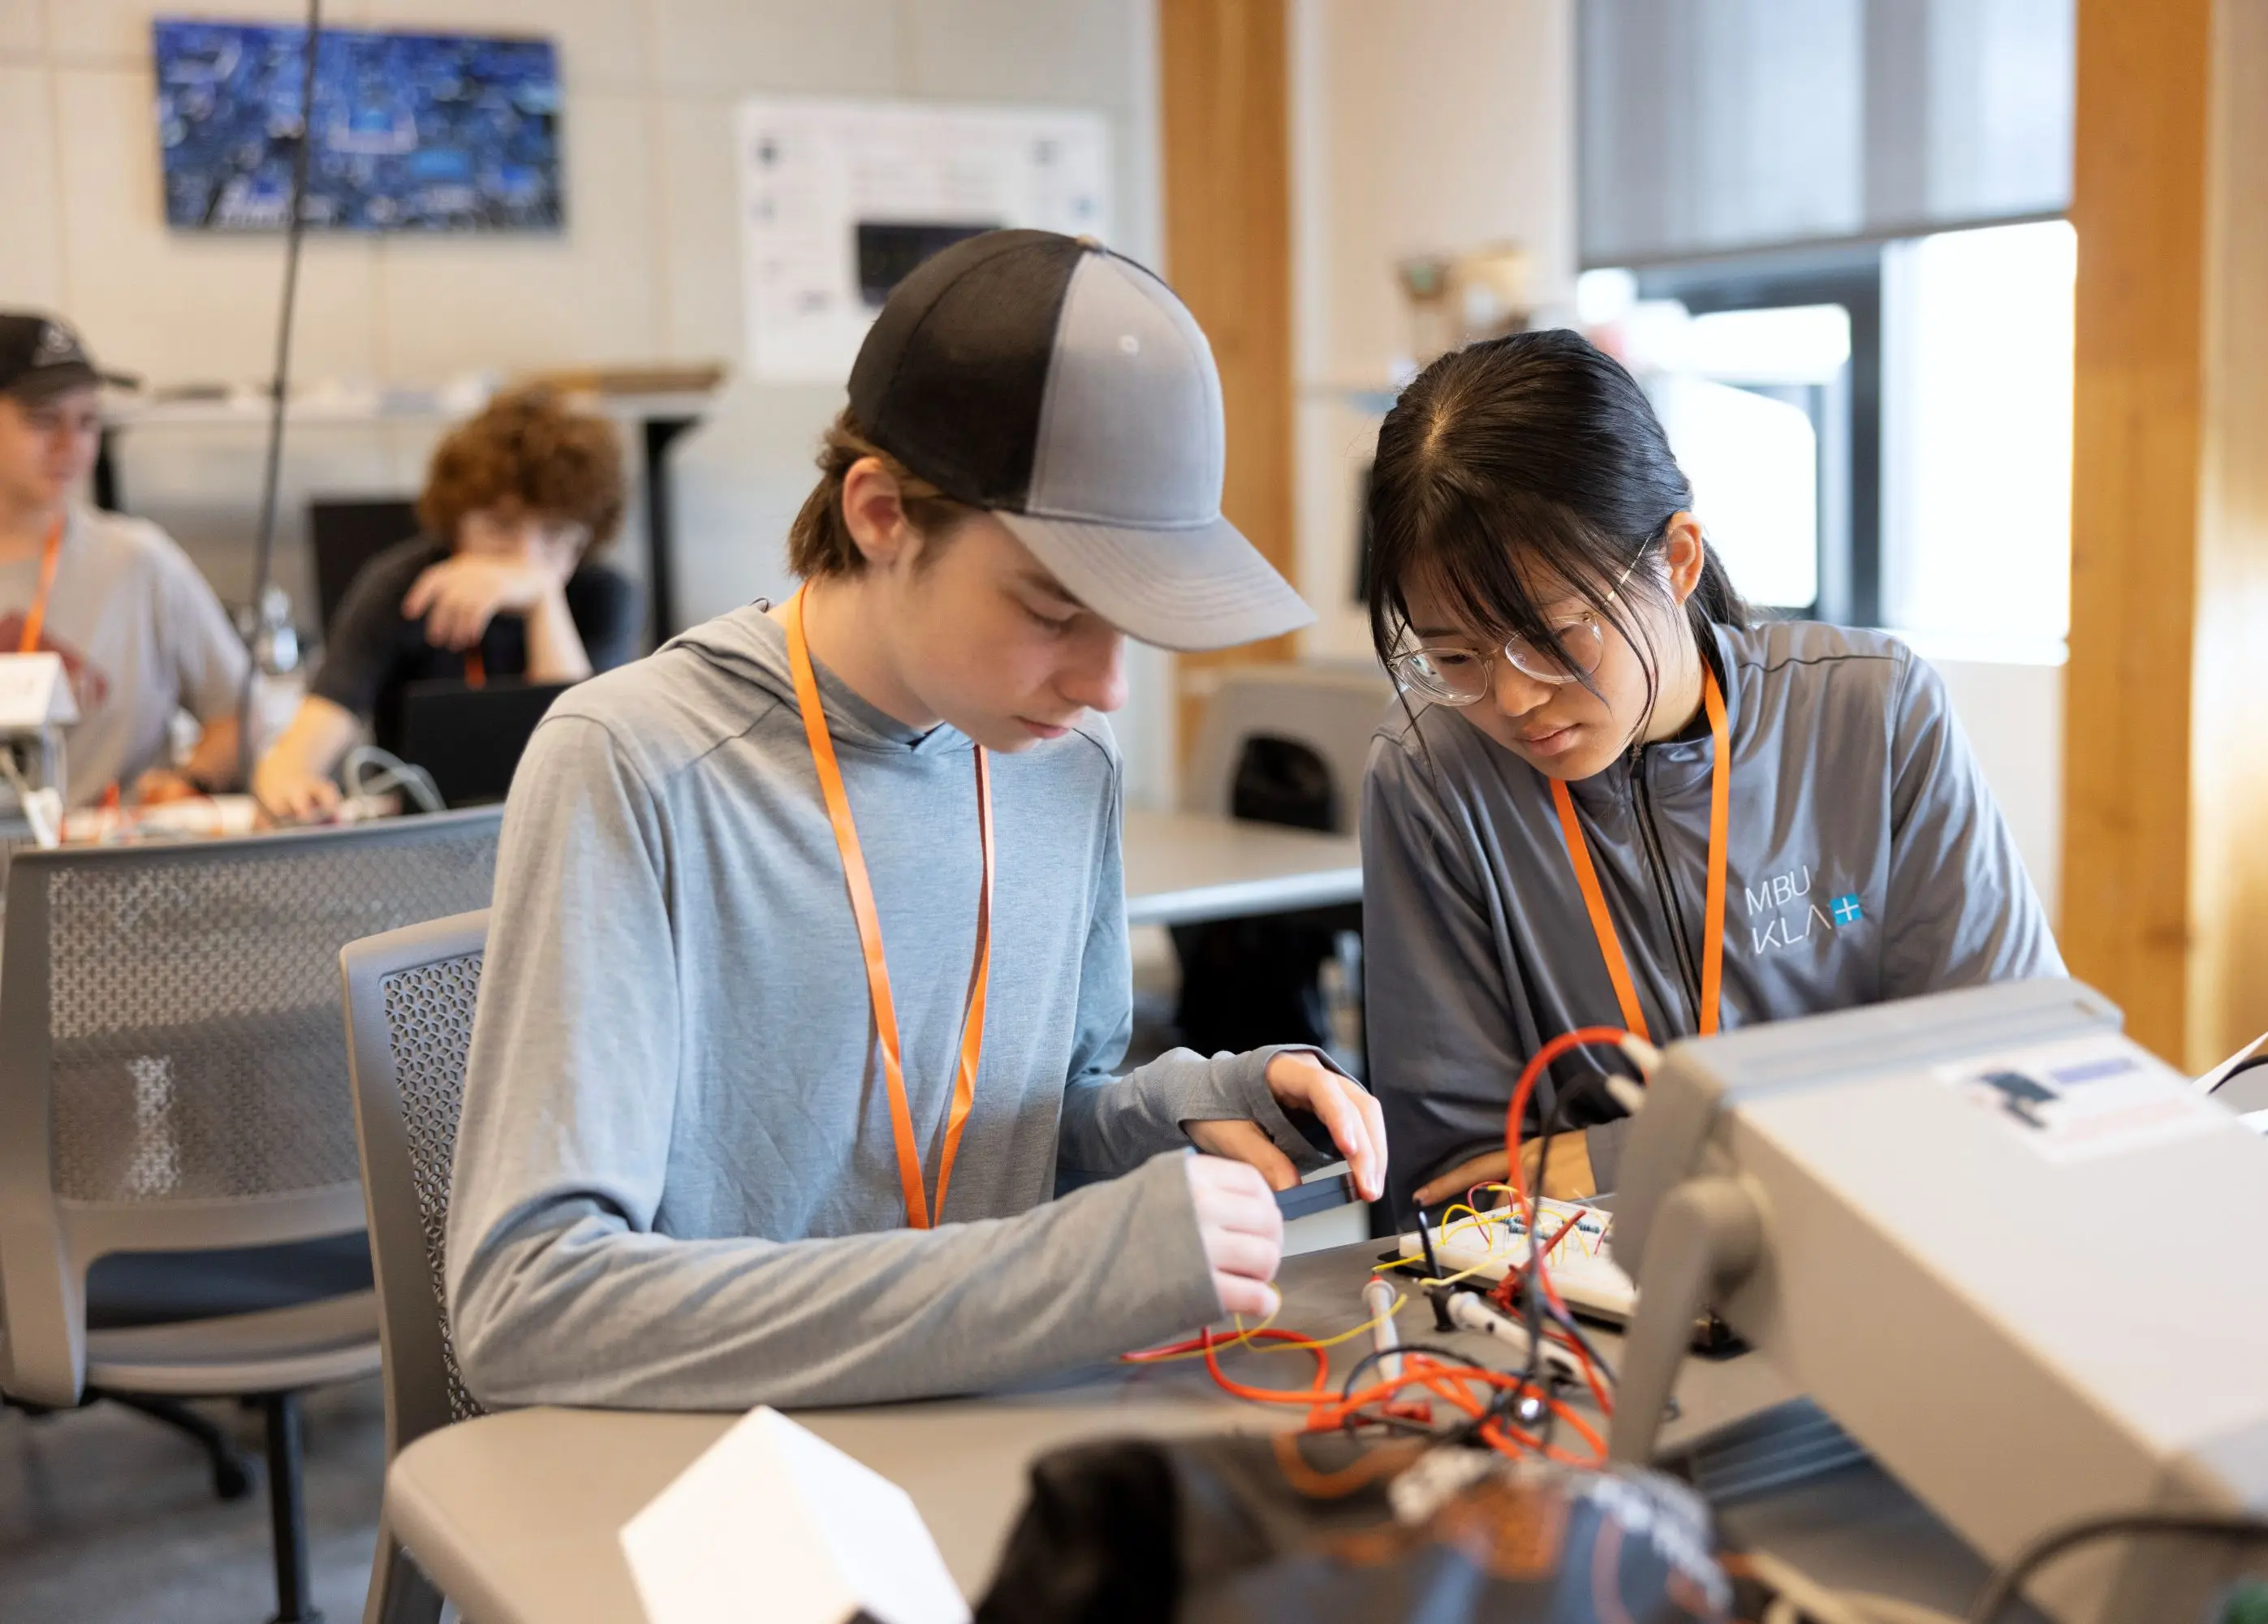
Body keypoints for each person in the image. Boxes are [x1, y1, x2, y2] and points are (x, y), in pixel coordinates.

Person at [445, 230, 1389, 1410]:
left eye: (1131, 624)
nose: (1108, 685)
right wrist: (1058, 1271)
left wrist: (1194, 1108)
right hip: (735, 1468)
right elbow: (532, 1310)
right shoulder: (638, 766)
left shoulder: (1061, 761)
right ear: (882, 513)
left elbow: (1038, 1121)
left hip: (984, 1418)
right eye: (1054, 608)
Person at [1359, 328, 2061, 1218]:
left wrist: (1649, 1146)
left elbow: (2010, 1063)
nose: (1512, 699)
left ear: (1678, 561)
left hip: (1901, 1235)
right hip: (1590, 1298)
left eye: (1550, 638)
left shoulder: (1872, 714)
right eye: (1455, 657)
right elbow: (1457, 1184)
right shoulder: (1431, 773)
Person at [252, 387, 640, 820]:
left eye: (555, 535)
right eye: (501, 527)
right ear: (457, 521)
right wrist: (291, 783)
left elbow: (587, 769)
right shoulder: (403, 587)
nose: (524, 559)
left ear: (585, 540)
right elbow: (302, 748)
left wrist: (544, 601)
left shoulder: (604, 595)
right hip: (425, 850)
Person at [0, 312, 250, 810]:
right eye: (44, 420)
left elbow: (240, 713)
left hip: (113, 863)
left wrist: (192, 782)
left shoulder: (139, 561)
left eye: (88, 422)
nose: (71, 446)